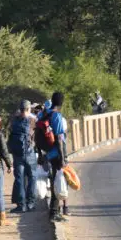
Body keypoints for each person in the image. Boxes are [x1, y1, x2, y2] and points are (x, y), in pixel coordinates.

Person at [41, 92, 69, 221]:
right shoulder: (56, 116)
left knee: (54, 180)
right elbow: (59, 138)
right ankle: (54, 212)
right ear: (61, 102)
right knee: (57, 181)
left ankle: (54, 211)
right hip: (56, 153)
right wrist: (62, 158)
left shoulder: (44, 114)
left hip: (47, 152)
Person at [8, 100, 38, 213]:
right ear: (29, 109)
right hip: (30, 153)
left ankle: (21, 205)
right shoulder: (33, 120)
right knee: (32, 177)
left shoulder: (14, 120)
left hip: (17, 154)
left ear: (20, 109)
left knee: (19, 178)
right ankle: (31, 203)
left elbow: (10, 132)